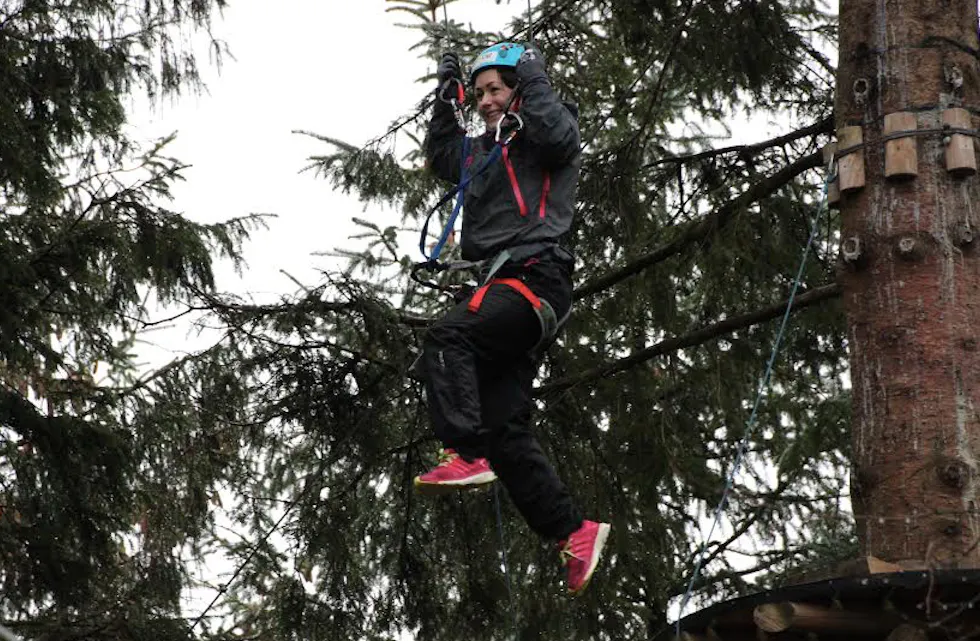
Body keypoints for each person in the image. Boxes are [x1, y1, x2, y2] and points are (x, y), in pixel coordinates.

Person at [413, 41, 611, 596]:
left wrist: (534, 77)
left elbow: (558, 136)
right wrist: (445, 98)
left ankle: (463, 453)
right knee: (502, 428)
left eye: (495, 90)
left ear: (520, 90)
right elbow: (442, 156)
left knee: (449, 337)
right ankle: (572, 530)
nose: (485, 102)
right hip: (505, 289)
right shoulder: (484, 151)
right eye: (478, 94)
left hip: (532, 278)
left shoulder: (545, 135)